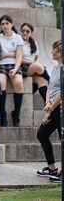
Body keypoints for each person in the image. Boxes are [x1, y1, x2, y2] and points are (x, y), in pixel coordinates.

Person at [36, 40, 62, 182]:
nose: (50, 52)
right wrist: (47, 105)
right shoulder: (55, 69)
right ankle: (52, 168)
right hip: (52, 107)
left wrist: (51, 107)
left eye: (53, 50)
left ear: (59, 52)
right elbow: (50, 88)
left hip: (60, 108)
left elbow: (62, 92)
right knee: (42, 134)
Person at [0, 15, 24, 127]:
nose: (5, 26)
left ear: (12, 24)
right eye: (2, 24)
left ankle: (16, 113)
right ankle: (3, 113)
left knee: (19, 82)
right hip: (1, 65)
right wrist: (8, 54)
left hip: (14, 65)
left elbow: (19, 57)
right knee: (1, 82)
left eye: (7, 23)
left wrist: (15, 69)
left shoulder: (18, 38)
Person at [19, 22, 51, 102]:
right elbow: (17, 59)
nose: (25, 33)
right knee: (36, 66)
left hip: (32, 67)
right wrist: (32, 63)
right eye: (23, 31)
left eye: (27, 31)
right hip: (21, 67)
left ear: (31, 33)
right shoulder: (18, 42)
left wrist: (36, 64)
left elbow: (36, 57)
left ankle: (48, 104)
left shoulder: (34, 43)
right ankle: (51, 80)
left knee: (41, 81)